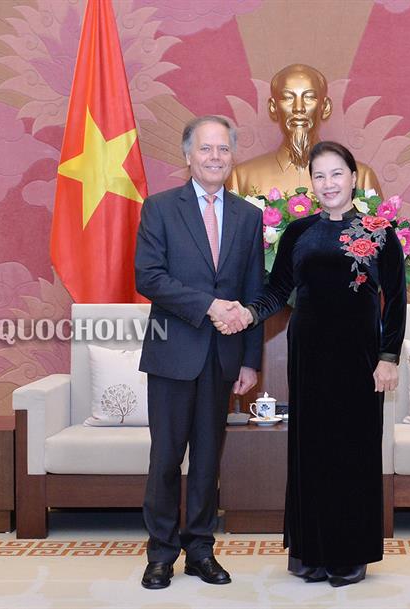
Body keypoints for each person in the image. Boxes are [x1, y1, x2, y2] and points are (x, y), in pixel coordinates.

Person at [216, 141, 406, 587]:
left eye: (336, 174)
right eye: (319, 176)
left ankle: (349, 552)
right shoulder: (298, 233)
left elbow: (396, 299)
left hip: (359, 359)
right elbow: (276, 290)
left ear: (353, 178)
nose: (328, 183)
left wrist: (388, 357)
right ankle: (310, 550)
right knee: (311, 449)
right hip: (309, 356)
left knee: (354, 450)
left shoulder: (381, 232)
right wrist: (248, 313)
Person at [135, 115, 264, 589]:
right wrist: (208, 305)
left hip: (223, 357)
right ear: (187, 155)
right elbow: (149, 277)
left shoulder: (248, 216)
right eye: (205, 149)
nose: (215, 157)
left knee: (208, 461)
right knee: (166, 459)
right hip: (173, 354)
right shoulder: (160, 208)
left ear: (232, 157)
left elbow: (254, 290)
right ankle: (160, 554)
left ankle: (201, 550)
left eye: (223, 149)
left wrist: (250, 359)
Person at [226, 64, 381, 196]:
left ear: (325, 107)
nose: (298, 108)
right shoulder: (242, 178)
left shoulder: (361, 178)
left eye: (309, 97)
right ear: (273, 108)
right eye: (288, 98)